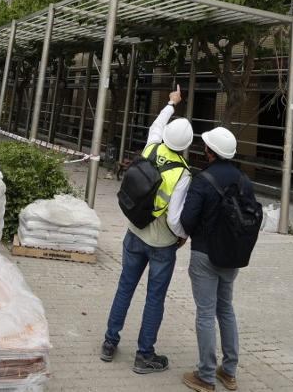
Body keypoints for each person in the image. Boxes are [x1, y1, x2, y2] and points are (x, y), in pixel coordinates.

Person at [101, 84, 193, 374]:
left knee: (124, 288)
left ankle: (109, 342)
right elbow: (175, 217)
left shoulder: (152, 146)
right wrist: (182, 237)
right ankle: (144, 356)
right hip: (161, 244)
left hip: (134, 233)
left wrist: (171, 103)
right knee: (155, 298)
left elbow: (156, 125)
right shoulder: (183, 172)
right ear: (188, 145)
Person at [180, 126, 249, 392]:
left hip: (204, 255)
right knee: (226, 309)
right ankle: (229, 371)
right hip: (232, 257)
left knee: (206, 314)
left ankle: (206, 376)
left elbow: (187, 220)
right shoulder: (244, 181)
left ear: (210, 152)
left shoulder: (203, 180)